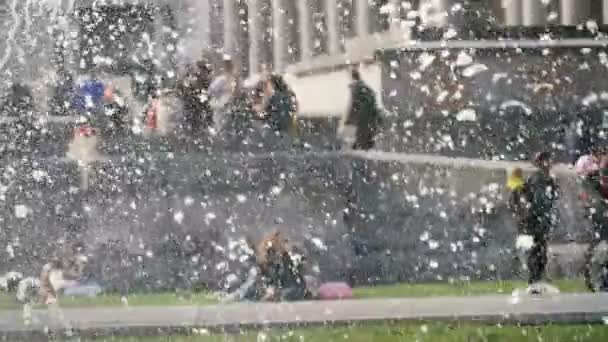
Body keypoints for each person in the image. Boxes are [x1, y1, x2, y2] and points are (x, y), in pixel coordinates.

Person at [520, 152, 559, 287]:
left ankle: (536, 278)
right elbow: (540, 201)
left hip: (538, 218)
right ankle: (535, 279)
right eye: (546, 160)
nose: (549, 163)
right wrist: (542, 218)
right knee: (538, 249)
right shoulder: (539, 178)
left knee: (539, 248)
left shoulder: (543, 178)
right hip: (537, 219)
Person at [344, 67, 382, 150]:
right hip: (371, 113)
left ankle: (361, 146)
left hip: (364, 114)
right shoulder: (365, 87)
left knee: (362, 132)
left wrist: (349, 119)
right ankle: (366, 146)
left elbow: (354, 104)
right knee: (367, 131)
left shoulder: (356, 88)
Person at [176, 56, 213, 134]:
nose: (206, 74)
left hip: (198, 107)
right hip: (191, 107)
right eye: (204, 71)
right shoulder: (194, 79)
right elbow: (184, 90)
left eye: (207, 72)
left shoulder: (205, 81)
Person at [208, 57, 239, 132]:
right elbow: (211, 91)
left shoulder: (233, 79)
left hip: (228, 107)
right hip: (222, 106)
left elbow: (211, 91)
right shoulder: (222, 79)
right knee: (221, 125)